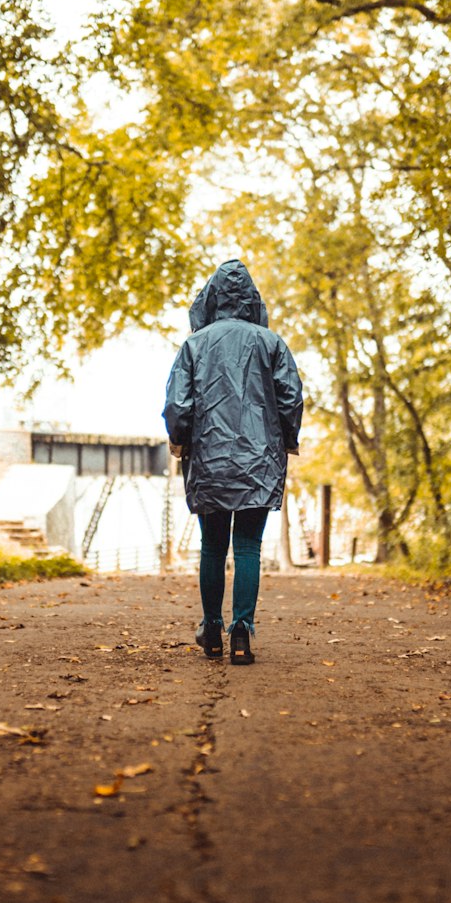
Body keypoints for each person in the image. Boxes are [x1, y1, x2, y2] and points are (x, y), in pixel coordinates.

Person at [163, 259, 303, 665]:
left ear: (212, 297)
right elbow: (290, 398)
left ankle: (211, 631)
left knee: (212, 546)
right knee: (247, 548)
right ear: (251, 300)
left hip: (209, 458)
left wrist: (179, 440)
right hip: (259, 460)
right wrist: (287, 440)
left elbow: (177, 403)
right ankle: (241, 631)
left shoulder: (195, 344)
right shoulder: (271, 343)